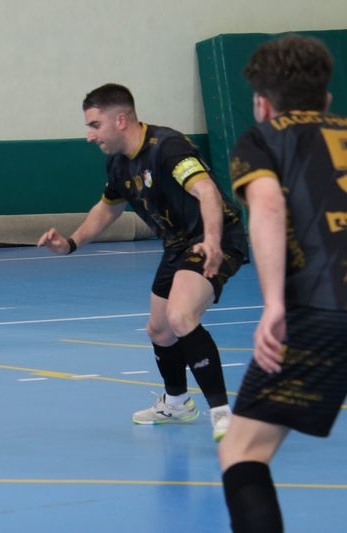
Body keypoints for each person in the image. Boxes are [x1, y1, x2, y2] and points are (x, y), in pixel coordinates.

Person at [38, 83, 249, 441]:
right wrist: (71, 243)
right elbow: (107, 208)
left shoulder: (168, 149)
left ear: (120, 120)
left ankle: (223, 414)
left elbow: (207, 191)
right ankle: (177, 403)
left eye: (95, 125)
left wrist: (212, 241)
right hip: (176, 246)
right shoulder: (118, 164)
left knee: (180, 317)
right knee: (160, 330)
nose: (90, 136)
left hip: (212, 238)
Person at [219, 34, 347, 532]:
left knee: (243, 449)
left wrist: (273, 303)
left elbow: (268, 205)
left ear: (262, 104)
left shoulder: (263, 138)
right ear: (326, 98)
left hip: (321, 309)